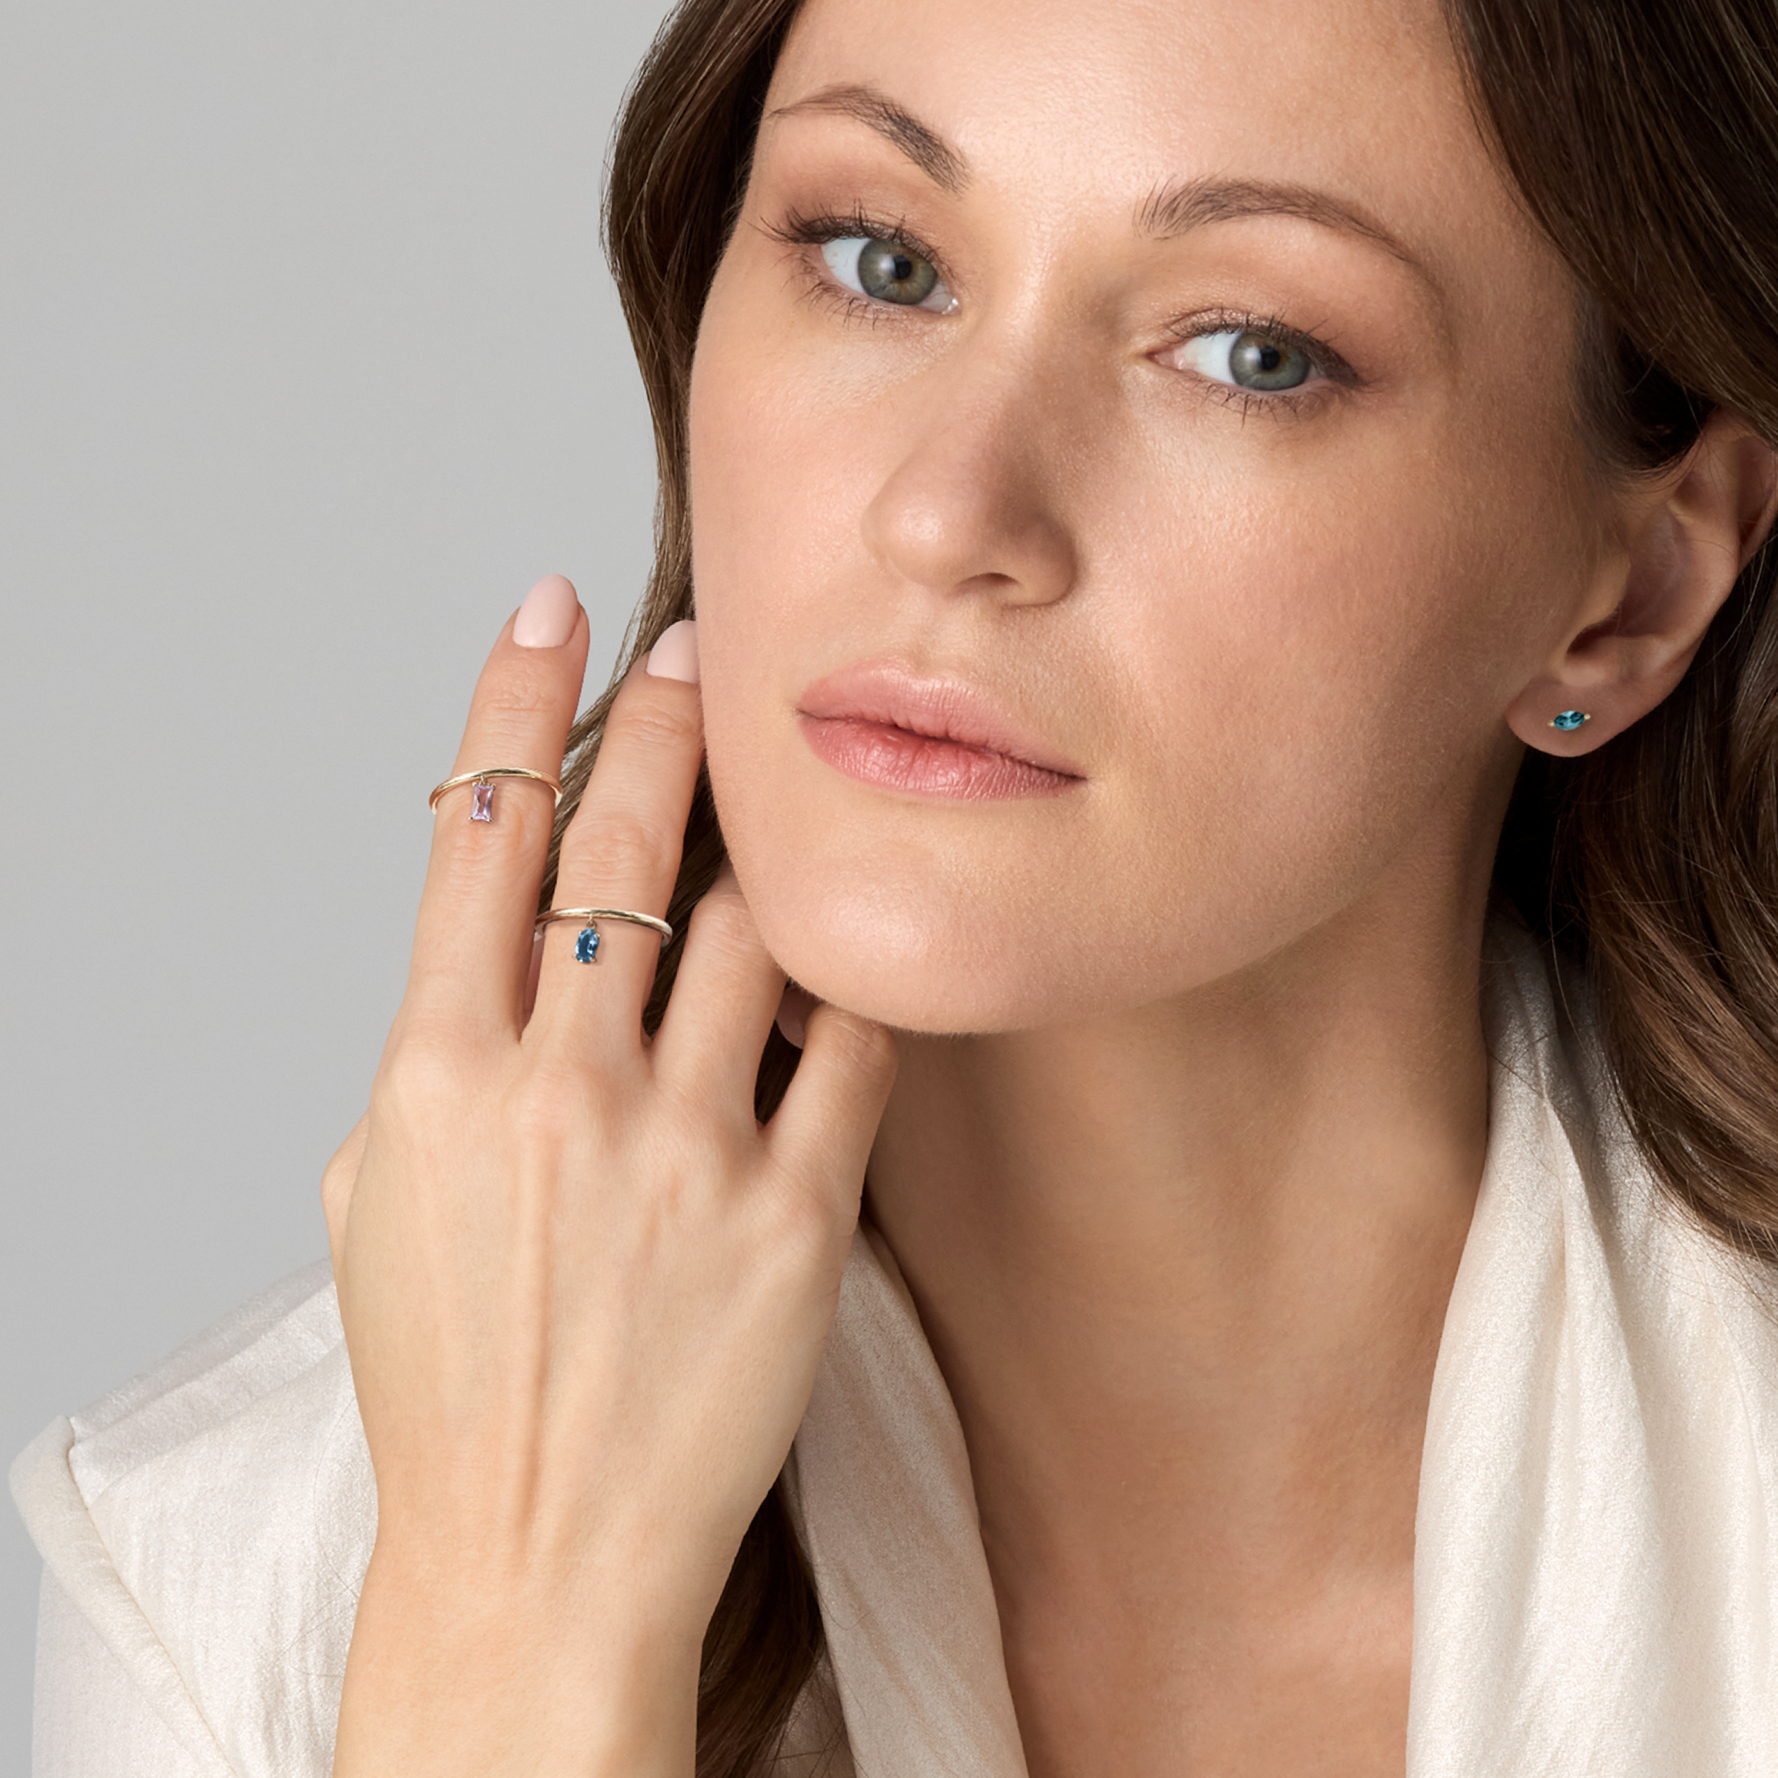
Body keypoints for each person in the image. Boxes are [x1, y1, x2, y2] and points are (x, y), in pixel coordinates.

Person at [14, 0, 1778, 1771]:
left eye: (1250, 352)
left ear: (1630, 592)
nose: (946, 514)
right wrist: (520, 1623)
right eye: (882, 261)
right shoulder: (233, 1593)